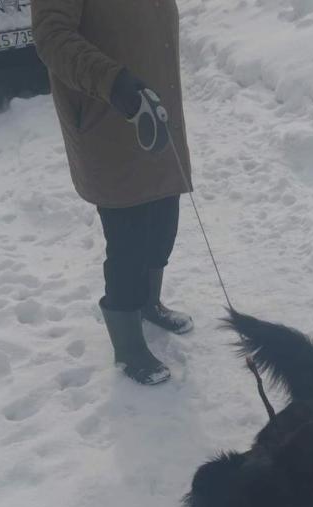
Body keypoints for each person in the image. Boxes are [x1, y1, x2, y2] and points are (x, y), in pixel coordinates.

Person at [31, 0, 193, 386]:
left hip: (155, 116)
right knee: (129, 242)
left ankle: (150, 304)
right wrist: (113, 81)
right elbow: (52, 36)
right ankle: (128, 345)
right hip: (109, 117)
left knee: (163, 225)